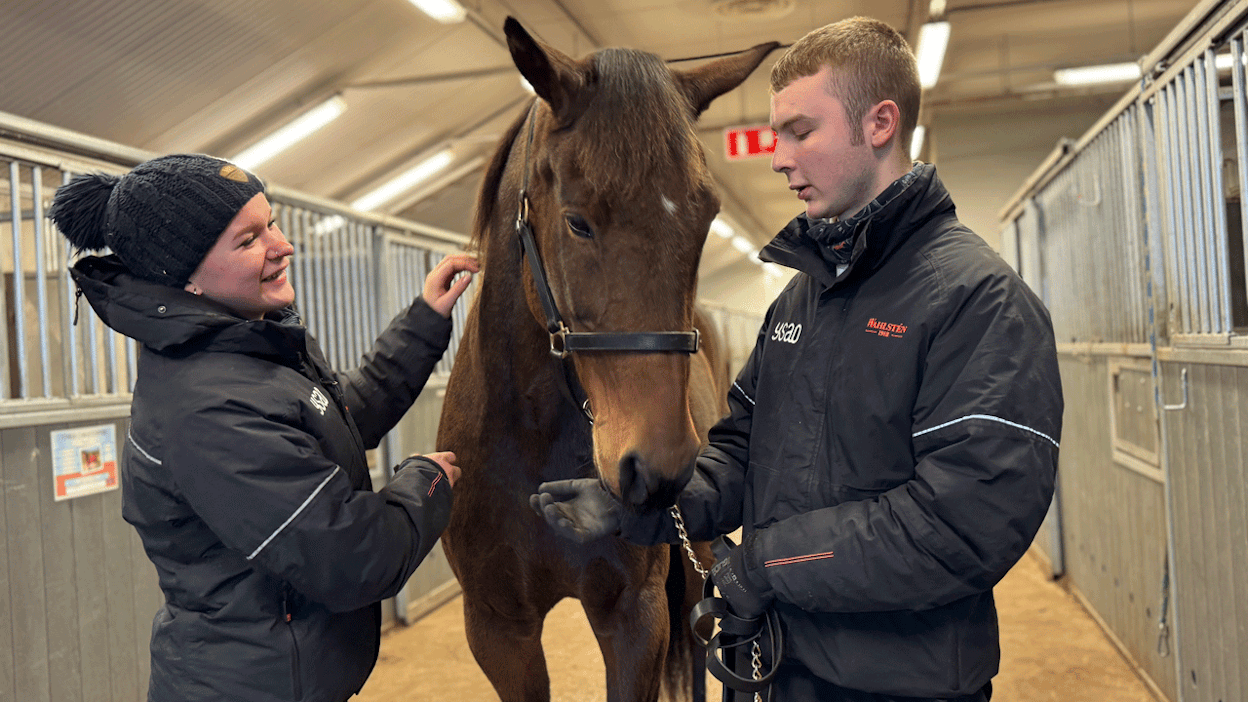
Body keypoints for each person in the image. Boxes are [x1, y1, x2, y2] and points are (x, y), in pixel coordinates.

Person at [531, 16, 1062, 702]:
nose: (777, 156)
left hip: (897, 687)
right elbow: (745, 452)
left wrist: (765, 567)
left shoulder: (980, 302)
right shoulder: (802, 301)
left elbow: (962, 524)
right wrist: (643, 510)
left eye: (799, 131)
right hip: (777, 668)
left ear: (878, 124)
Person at [49, 153, 479, 702]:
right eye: (248, 239)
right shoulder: (208, 409)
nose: (283, 245)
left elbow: (340, 416)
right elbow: (351, 555)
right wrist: (425, 479)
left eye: (270, 222)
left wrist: (425, 321)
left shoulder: (249, 350)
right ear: (184, 278)